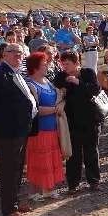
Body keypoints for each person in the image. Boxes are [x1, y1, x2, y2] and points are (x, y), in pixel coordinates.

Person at [0, 44, 38, 216]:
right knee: (8, 170)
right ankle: (8, 208)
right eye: (14, 53)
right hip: (6, 132)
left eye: (21, 53)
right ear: (4, 55)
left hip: (21, 129)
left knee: (18, 168)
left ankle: (16, 201)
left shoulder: (18, 73)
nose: (18, 56)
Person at [53, 51, 103, 193]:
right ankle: (73, 184)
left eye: (67, 64)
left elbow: (95, 90)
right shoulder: (61, 76)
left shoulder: (87, 73)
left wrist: (78, 82)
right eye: (62, 63)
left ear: (76, 63)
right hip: (72, 122)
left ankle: (94, 181)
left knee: (91, 152)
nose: (64, 66)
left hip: (90, 120)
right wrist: (66, 82)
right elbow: (57, 86)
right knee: (73, 155)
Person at [24, 52, 65, 201]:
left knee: (51, 159)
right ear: (35, 67)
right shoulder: (30, 85)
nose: (47, 65)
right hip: (39, 130)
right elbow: (35, 109)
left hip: (52, 128)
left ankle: (48, 189)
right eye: (44, 63)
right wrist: (55, 110)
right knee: (38, 160)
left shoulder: (48, 82)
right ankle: (34, 191)